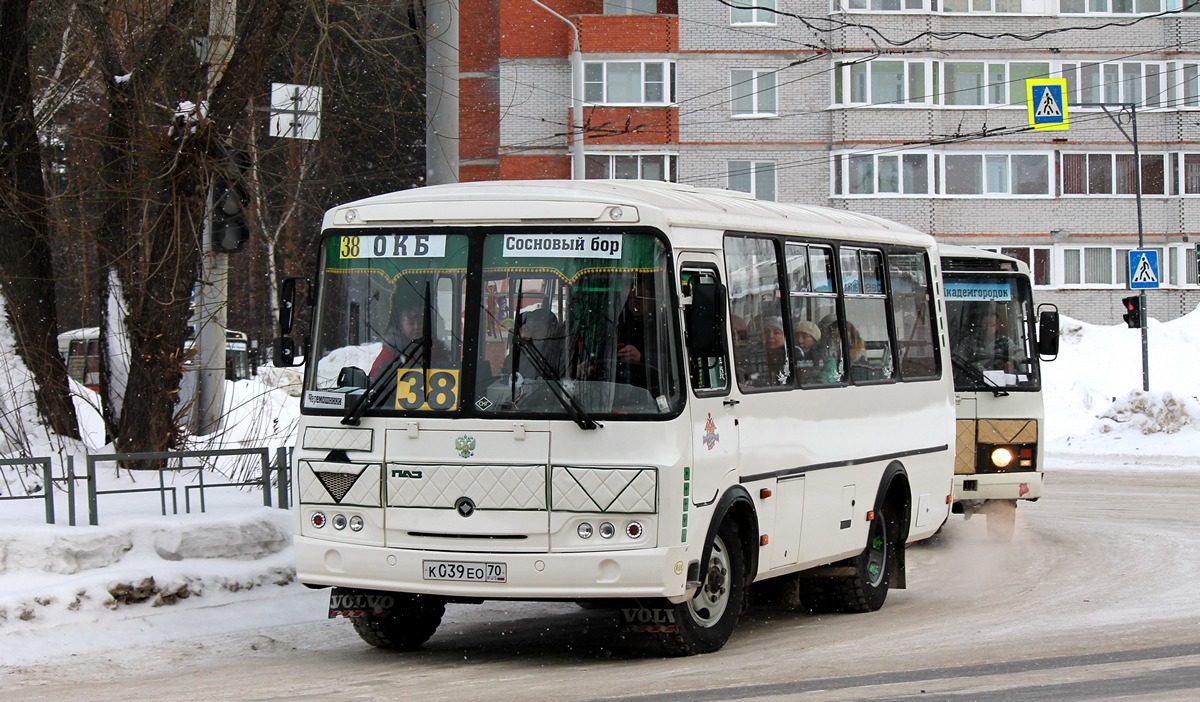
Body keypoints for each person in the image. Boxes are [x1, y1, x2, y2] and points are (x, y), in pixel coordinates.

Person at [369, 297, 449, 377]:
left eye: (420, 322)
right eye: (411, 322)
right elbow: (376, 379)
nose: (416, 327)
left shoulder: (435, 350)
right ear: (401, 327)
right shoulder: (390, 352)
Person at [502, 308, 564, 379]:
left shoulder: (561, 357)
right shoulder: (513, 358)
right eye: (527, 330)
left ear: (552, 331)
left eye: (538, 329)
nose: (531, 335)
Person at [956, 309, 1024, 372]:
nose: (988, 327)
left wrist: (1011, 361)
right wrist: (974, 366)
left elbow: (1020, 353)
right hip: (974, 378)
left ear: (997, 325)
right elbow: (958, 356)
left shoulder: (1004, 341)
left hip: (999, 379)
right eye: (985, 323)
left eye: (991, 323)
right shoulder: (970, 340)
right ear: (981, 324)